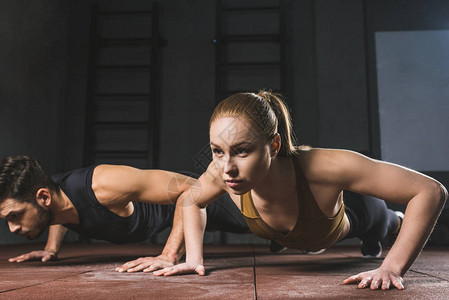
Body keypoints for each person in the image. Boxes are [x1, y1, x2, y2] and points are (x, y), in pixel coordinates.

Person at [154, 91, 448, 291]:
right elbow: (191, 200)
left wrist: (393, 268)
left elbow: (430, 191)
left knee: (382, 222)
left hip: (353, 214)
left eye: (242, 151)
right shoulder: (221, 172)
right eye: (218, 151)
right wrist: (193, 258)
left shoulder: (328, 166)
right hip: (300, 233)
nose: (227, 167)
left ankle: (389, 223)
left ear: (274, 145)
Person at [0, 155, 249, 273]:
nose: (13, 228)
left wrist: (169, 254)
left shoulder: (104, 184)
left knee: (262, 224)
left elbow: (193, 190)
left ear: (43, 197)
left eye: (15, 216)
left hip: (203, 199)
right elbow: (59, 216)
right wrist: (51, 249)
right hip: (174, 218)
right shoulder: (50, 197)